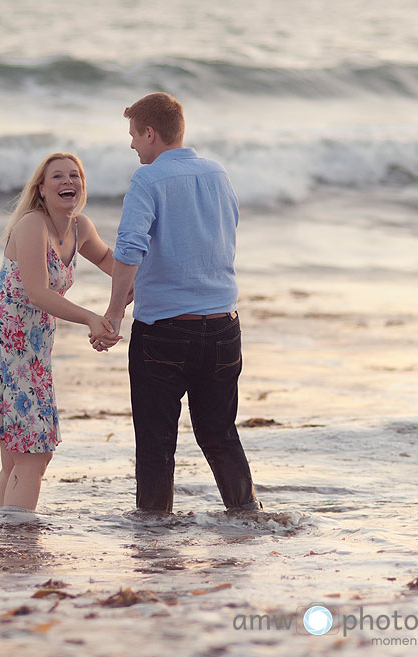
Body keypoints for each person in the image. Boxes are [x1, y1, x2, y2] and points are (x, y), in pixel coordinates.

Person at [92, 92, 261, 513]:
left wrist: (115, 312)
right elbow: (218, 236)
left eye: (133, 135)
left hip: (164, 332)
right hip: (223, 327)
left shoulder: (147, 180)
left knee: (155, 443)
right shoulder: (217, 173)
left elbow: (130, 247)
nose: (132, 144)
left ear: (151, 133)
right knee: (220, 434)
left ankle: (153, 540)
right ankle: (247, 521)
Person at [0, 153, 118, 511]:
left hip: (33, 351)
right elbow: (38, 293)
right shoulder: (32, 224)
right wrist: (92, 320)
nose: (69, 182)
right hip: (6, 345)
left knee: (20, 456)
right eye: (58, 177)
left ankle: (2, 537)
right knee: (33, 454)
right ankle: (18, 542)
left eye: (75, 175)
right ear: (41, 188)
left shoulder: (80, 227)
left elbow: (117, 268)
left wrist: (137, 297)